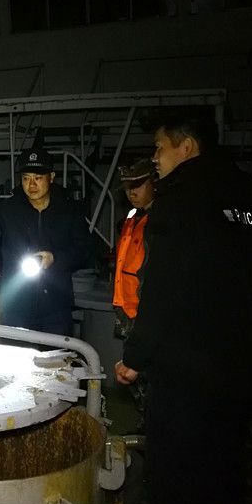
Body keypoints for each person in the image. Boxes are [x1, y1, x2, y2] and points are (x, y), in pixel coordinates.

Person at [115, 117, 252, 504]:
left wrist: (135, 355)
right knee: (226, 468)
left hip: (187, 370)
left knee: (180, 477)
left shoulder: (180, 200)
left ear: (186, 147)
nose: (155, 157)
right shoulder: (247, 194)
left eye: (160, 147)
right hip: (237, 361)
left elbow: (163, 287)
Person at [0, 148, 94, 336]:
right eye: (26, 178)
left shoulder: (69, 211)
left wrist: (56, 258)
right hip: (16, 306)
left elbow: (84, 249)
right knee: (16, 352)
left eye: (38, 178)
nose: (31, 185)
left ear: (51, 177)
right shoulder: (6, 211)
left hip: (56, 306)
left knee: (59, 354)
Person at [112, 157, 155, 425]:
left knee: (147, 373)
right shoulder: (131, 217)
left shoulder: (160, 221)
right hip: (127, 309)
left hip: (147, 312)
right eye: (128, 186)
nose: (132, 192)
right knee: (135, 377)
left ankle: (152, 427)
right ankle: (145, 422)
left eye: (138, 185)